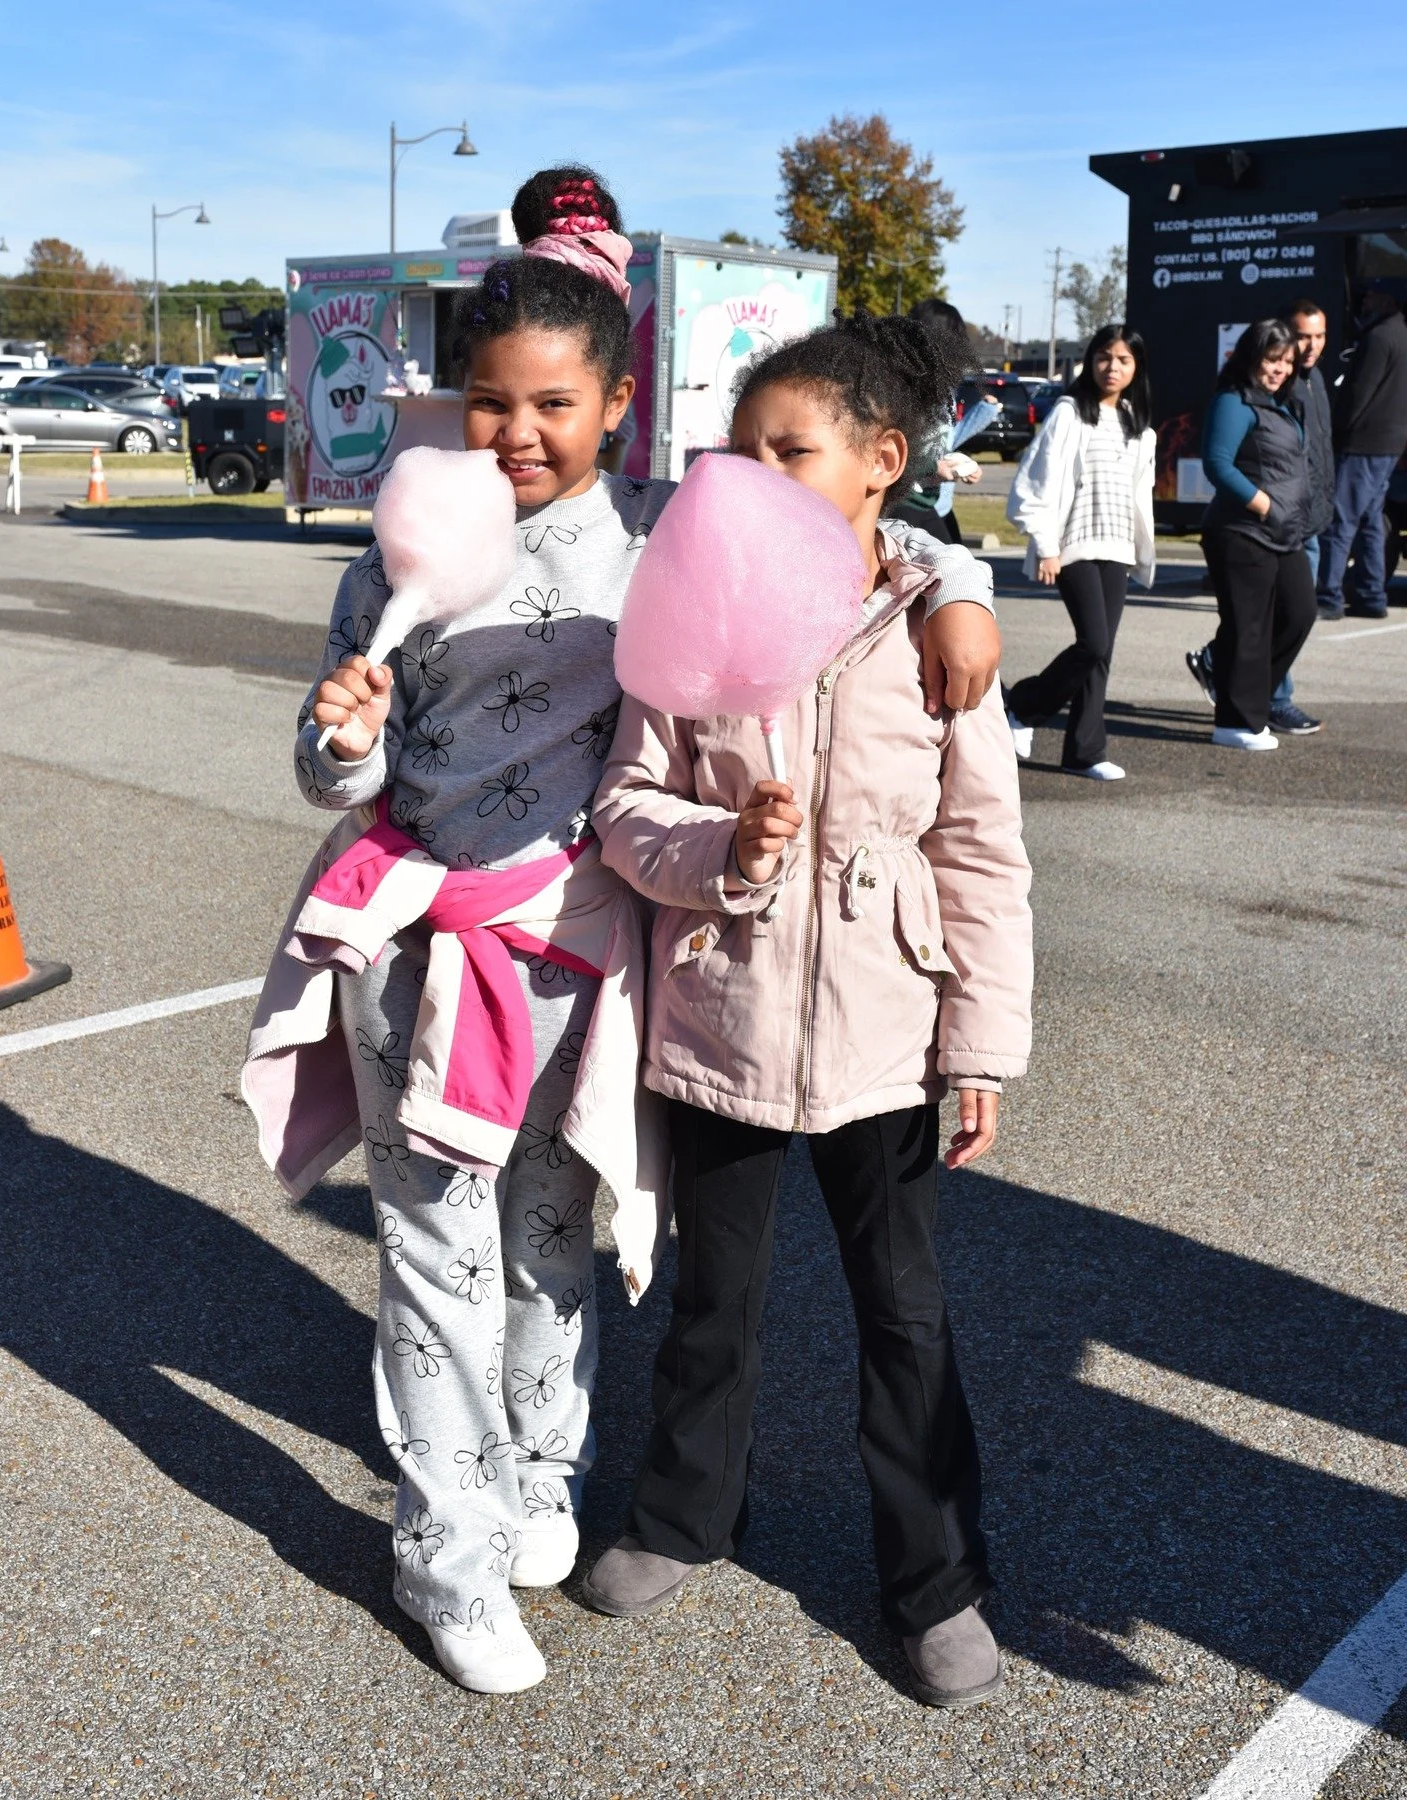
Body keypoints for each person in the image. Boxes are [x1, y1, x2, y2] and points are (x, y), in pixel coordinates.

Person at [250, 168, 1005, 1697]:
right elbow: (338, 777)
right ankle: (449, 1555)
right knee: (438, 1261)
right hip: (422, 953)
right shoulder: (387, 562)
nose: (516, 433)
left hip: (586, 964)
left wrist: (958, 590)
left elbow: (840, 532)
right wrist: (341, 737)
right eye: (488, 401)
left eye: (554, 404)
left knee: (553, 1243)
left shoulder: (662, 539)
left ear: (616, 406)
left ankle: (544, 1477)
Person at [580, 311, 1034, 1712]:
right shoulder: (698, 609)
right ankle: (685, 1514)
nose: (759, 476)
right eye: (743, 452)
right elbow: (624, 804)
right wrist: (720, 850)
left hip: (886, 1032)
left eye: (794, 451)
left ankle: (937, 1580)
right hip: (723, 1008)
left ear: (881, 460)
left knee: (904, 1312)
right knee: (712, 1300)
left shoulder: (938, 634)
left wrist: (981, 1047)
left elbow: (981, 852)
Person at [1002, 323, 1156, 780]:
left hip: (1117, 548)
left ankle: (1085, 752)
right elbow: (1035, 481)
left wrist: (1140, 550)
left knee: (1101, 653)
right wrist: (1046, 546)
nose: (1113, 367)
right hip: (1074, 548)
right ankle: (1022, 707)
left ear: (1137, 367)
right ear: (1091, 361)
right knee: (1093, 642)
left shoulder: (1136, 423)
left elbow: (1137, 495)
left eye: (1124, 360)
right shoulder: (1069, 413)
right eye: (1104, 357)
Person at [1186, 298, 1334, 734]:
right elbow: (1218, 464)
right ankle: (1239, 718)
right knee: (1250, 627)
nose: (1281, 369)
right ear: (1251, 357)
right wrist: (1265, 505)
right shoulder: (1233, 402)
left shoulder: (1285, 400)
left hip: (1289, 530)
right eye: (1273, 360)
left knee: (1299, 614)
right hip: (1245, 530)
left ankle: (1246, 694)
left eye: (1286, 362)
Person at [1316, 282, 1407, 621]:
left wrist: (1334, 432)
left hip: (1364, 442)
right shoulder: (1400, 334)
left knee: (1340, 520)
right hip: (1389, 444)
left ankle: (1328, 596)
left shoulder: (1379, 337)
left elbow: (1358, 392)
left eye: (1372, 295)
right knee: (1370, 522)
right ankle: (1371, 596)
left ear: (1388, 300)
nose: (1365, 300)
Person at [888, 296, 984, 547]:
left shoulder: (941, 389)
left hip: (927, 500)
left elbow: (936, 444)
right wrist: (933, 467)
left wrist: (961, 464)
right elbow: (886, 449)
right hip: (899, 501)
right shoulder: (901, 388)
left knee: (959, 564)